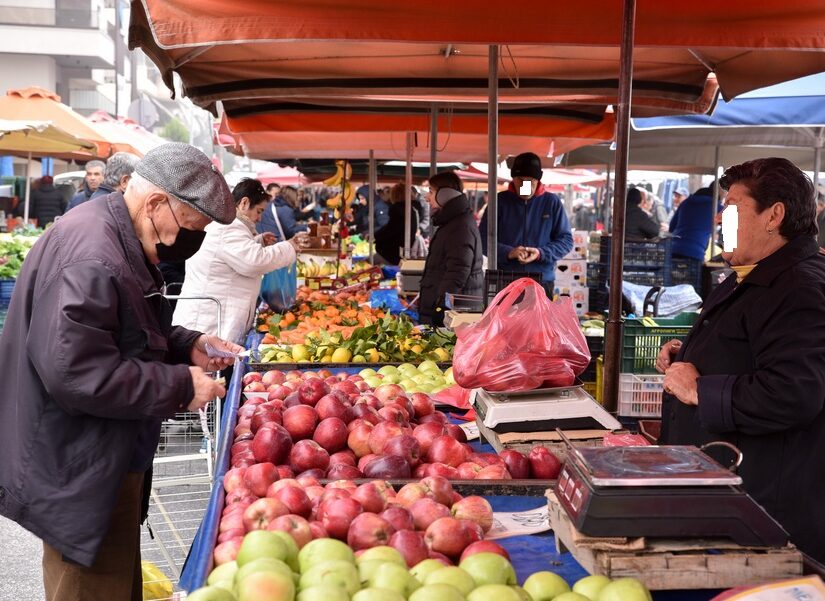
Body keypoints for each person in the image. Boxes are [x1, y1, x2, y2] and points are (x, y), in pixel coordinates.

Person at [0, 142, 243, 600]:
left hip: (101, 454)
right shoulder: (93, 255)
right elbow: (76, 371)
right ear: (155, 203)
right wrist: (177, 385)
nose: (182, 244)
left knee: (112, 580)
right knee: (90, 585)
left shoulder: (118, 234)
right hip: (80, 460)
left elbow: (123, 329)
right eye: (187, 228)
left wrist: (186, 344)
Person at [656, 157, 825, 564]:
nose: (719, 218)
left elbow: (794, 391)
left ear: (775, 215)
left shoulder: (800, 287)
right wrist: (693, 352)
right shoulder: (752, 273)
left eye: (731, 207)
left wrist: (699, 389)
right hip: (727, 497)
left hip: (766, 517)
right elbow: (753, 348)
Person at [173, 178, 306, 346]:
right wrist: (289, 247)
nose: (259, 218)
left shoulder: (229, 225)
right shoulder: (228, 227)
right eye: (259, 211)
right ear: (244, 203)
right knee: (210, 369)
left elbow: (234, 254)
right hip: (210, 323)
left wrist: (258, 241)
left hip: (213, 319)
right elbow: (253, 262)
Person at [479, 151, 573, 293]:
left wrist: (541, 253)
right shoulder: (499, 201)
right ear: (513, 179)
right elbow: (483, 238)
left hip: (542, 280)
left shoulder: (551, 202)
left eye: (530, 181)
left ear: (538, 180)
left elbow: (566, 240)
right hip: (506, 279)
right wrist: (509, 252)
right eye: (521, 180)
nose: (525, 185)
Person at [418, 171, 483, 325]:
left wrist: (441, 307)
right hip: (448, 308)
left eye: (431, 192)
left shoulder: (460, 226)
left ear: (445, 194)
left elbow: (458, 271)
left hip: (452, 313)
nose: (427, 198)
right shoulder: (452, 222)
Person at [669, 184, 719, 261]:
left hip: (674, 248)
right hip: (696, 251)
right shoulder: (716, 206)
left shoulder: (685, 203)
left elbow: (671, 228)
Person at [374, 183, 420, 265]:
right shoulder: (413, 208)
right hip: (405, 248)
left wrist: (376, 236)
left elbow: (391, 229)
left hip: (394, 252)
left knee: (369, 262)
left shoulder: (397, 209)